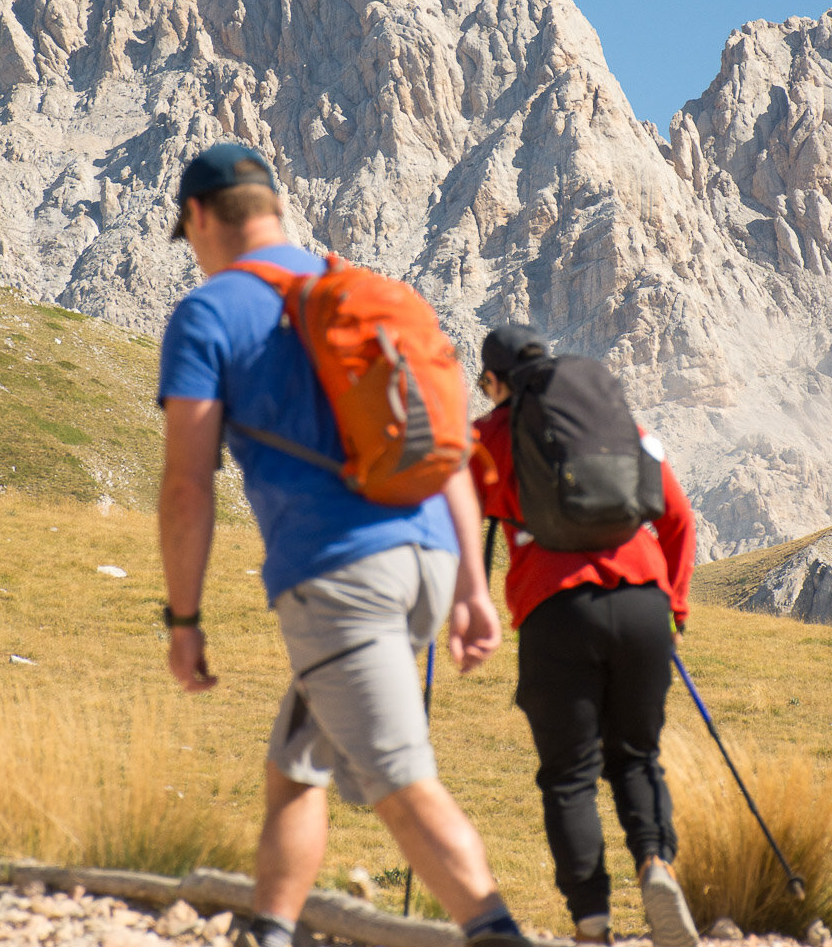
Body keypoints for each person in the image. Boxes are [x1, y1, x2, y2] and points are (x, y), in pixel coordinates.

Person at [155, 143, 528, 947]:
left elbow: (186, 485)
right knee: (295, 765)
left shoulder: (210, 312)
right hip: (428, 557)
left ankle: (498, 933)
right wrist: (470, 587)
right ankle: (272, 932)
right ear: (276, 210)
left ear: (198, 220)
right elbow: (450, 453)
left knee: (402, 784)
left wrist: (182, 619)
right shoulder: (371, 293)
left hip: (339, 576)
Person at [471, 324, 699, 947]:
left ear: (494, 382)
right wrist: (674, 608)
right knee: (636, 757)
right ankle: (655, 864)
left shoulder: (491, 434)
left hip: (557, 611)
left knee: (569, 773)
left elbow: (448, 504)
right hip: (645, 604)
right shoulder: (622, 426)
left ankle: (591, 924)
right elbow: (678, 518)